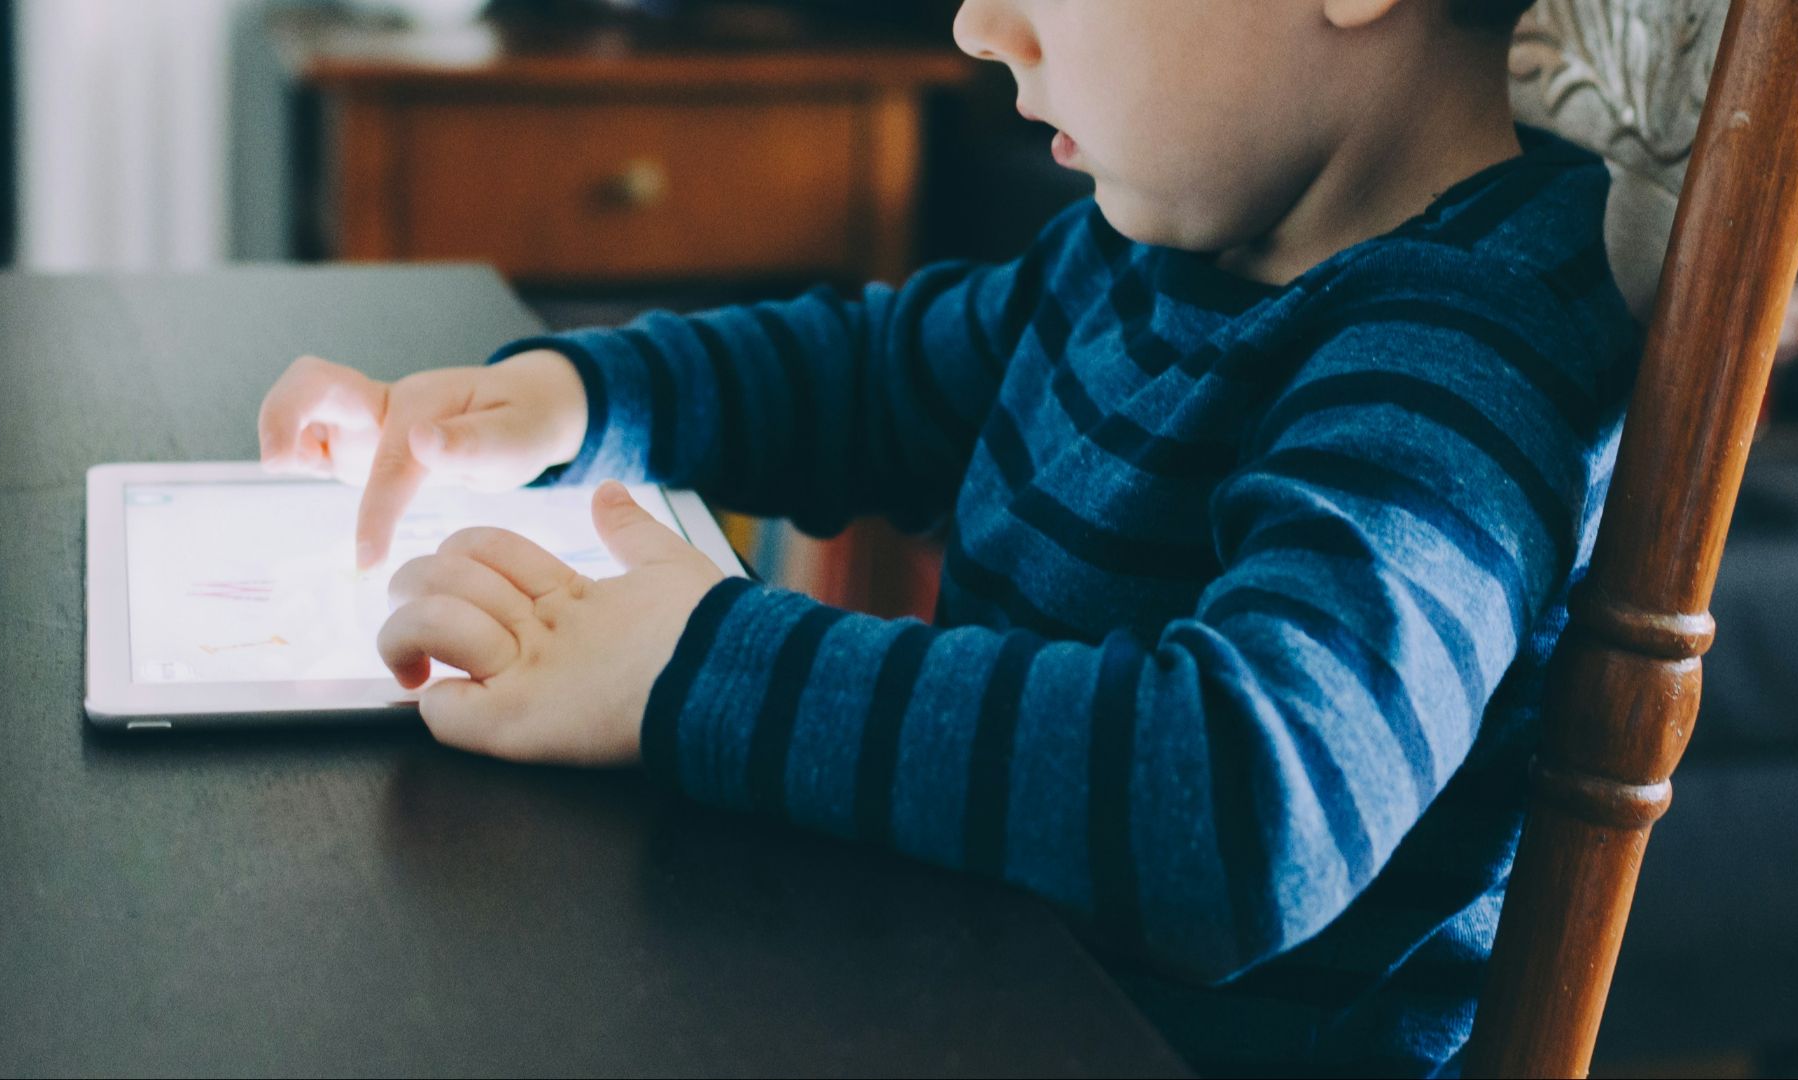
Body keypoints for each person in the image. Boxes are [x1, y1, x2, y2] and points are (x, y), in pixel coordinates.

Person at [256, 1, 1643, 1073]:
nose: (981, 26)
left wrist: (694, 658)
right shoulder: (1157, 252)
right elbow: (875, 377)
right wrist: (575, 399)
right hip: (977, 988)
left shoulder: (1463, 356)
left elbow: (1247, 803)